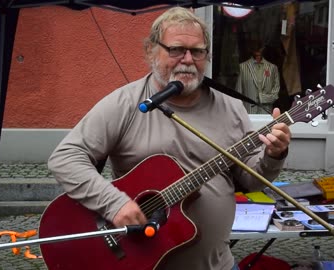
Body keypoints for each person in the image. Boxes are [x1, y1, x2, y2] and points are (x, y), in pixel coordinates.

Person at [48, 7, 291, 270]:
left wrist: (274, 155)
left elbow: (250, 180)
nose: (187, 59)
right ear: (151, 51)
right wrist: (114, 204)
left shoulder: (231, 106)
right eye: (176, 49)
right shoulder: (126, 103)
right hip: (140, 261)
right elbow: (65, 158)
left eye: (197, 51)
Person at [235, 48, 281, 114]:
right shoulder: (242, 67)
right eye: (255, 45)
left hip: (266, 111)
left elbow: (276, 92)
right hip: (248, 112)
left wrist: (263, 98)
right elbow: (238, 92)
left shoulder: (272, 68)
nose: (258, 48)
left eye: (260, 45)